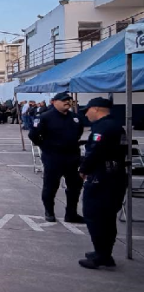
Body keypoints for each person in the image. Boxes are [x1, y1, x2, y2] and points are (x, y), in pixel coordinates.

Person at [77, 98, 127, 269]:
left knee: (95, 215)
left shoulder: (103, 128)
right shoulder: (116, 126)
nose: (86, 113)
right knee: (107, 217)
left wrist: (83, 168)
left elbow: (95, 152)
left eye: (88, 110)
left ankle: (102, 255)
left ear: (96, 109)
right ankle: (104, 252)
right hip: (115, 175)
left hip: (102, 177)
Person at [28, 92, 84, 223]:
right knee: (51, 186)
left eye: (69, 100)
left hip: (72, 157)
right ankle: (49, 212)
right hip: (53, 157)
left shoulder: (75, 117)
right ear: (54, 102)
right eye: (64, 100)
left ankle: (71, 214)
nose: (68, 102)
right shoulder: (45, 117)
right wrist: (45, 146)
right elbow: (33, 135)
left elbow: (79, 132)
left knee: (74, 187)